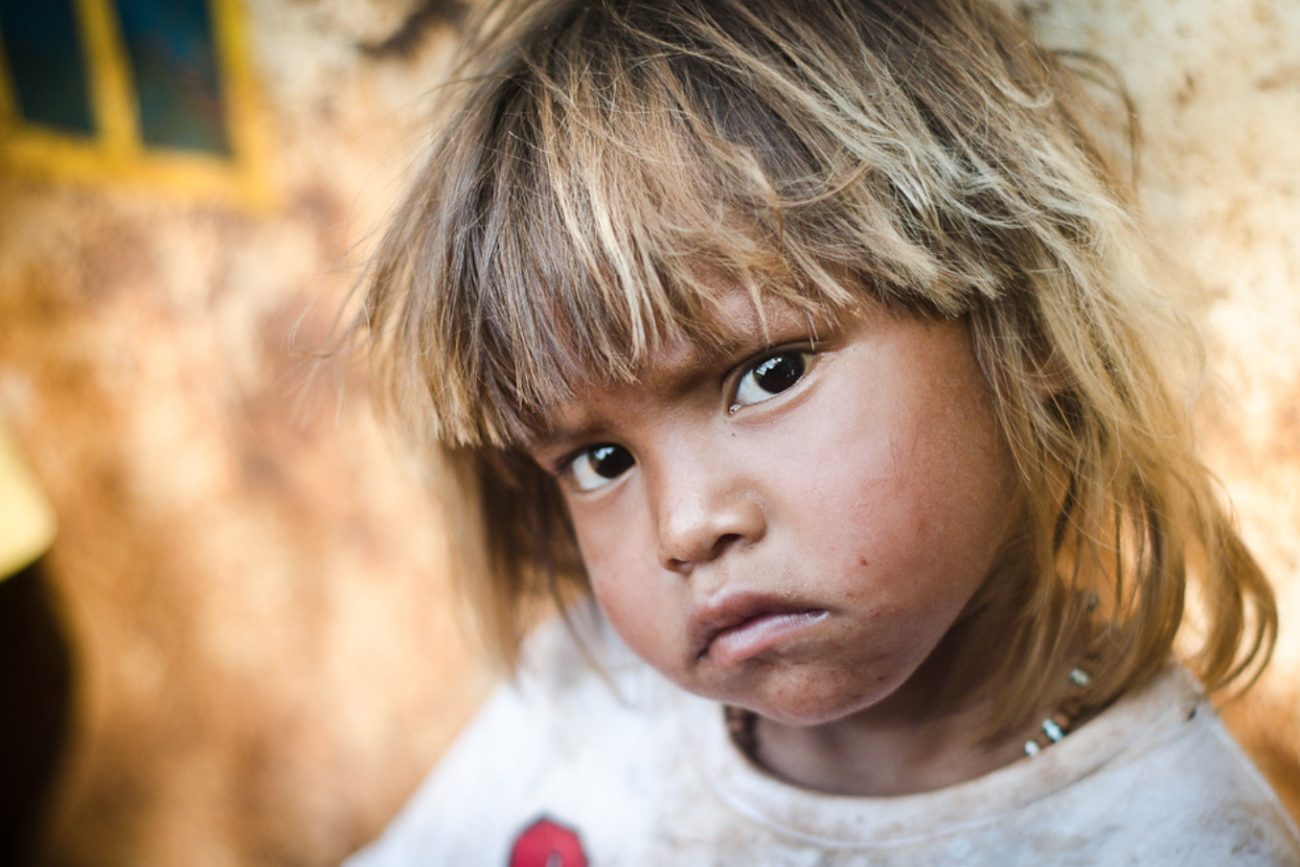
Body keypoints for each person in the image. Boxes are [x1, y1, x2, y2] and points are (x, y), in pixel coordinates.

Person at [343, 0, 1300, 863]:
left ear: (1027, 318)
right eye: (600, 460)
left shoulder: (1180, 838)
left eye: (769, 373)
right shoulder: (584, 701)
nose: (685, 528)